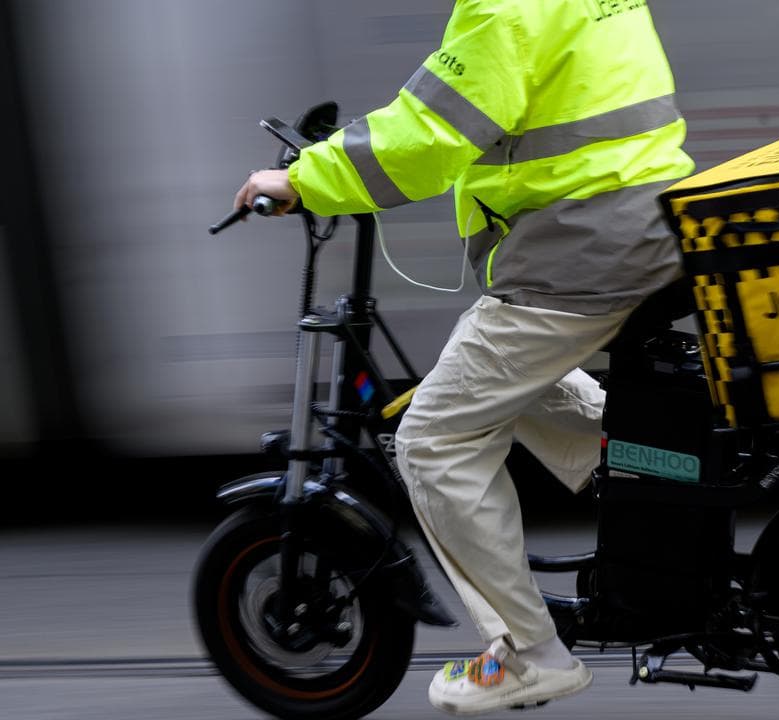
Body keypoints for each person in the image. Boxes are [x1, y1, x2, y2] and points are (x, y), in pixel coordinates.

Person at [232, 1, 695, 715]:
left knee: (433, 439)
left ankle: (529, 655)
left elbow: (428, 137)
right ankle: (659, 472)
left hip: (580, 250)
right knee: (494, 373)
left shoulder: (504, 8)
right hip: (645, 221)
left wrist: (302, 178)